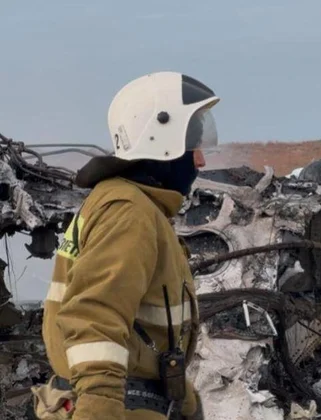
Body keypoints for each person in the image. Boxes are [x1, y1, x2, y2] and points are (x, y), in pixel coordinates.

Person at [33, 71, 218, 419]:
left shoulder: (129, 203)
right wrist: (99, 406)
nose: (201, 161)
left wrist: (183, 397)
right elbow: (94, 314)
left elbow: (141, 330)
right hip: (119, 406)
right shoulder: (130, 212)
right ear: (161, 139)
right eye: (193, 145)